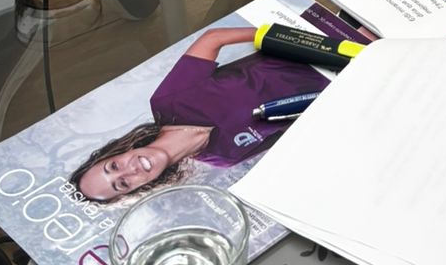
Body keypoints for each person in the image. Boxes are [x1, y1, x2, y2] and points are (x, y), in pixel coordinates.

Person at [69, 26, 314, 201]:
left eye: (113, 166)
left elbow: (214, 38)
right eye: (122, 184)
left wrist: (295, 38)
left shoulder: (168, 101)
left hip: (313, 47)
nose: (129, 171)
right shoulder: (224, 158)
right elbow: (294, 130)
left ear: (118, 151)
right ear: (139, 188)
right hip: (334, 91)